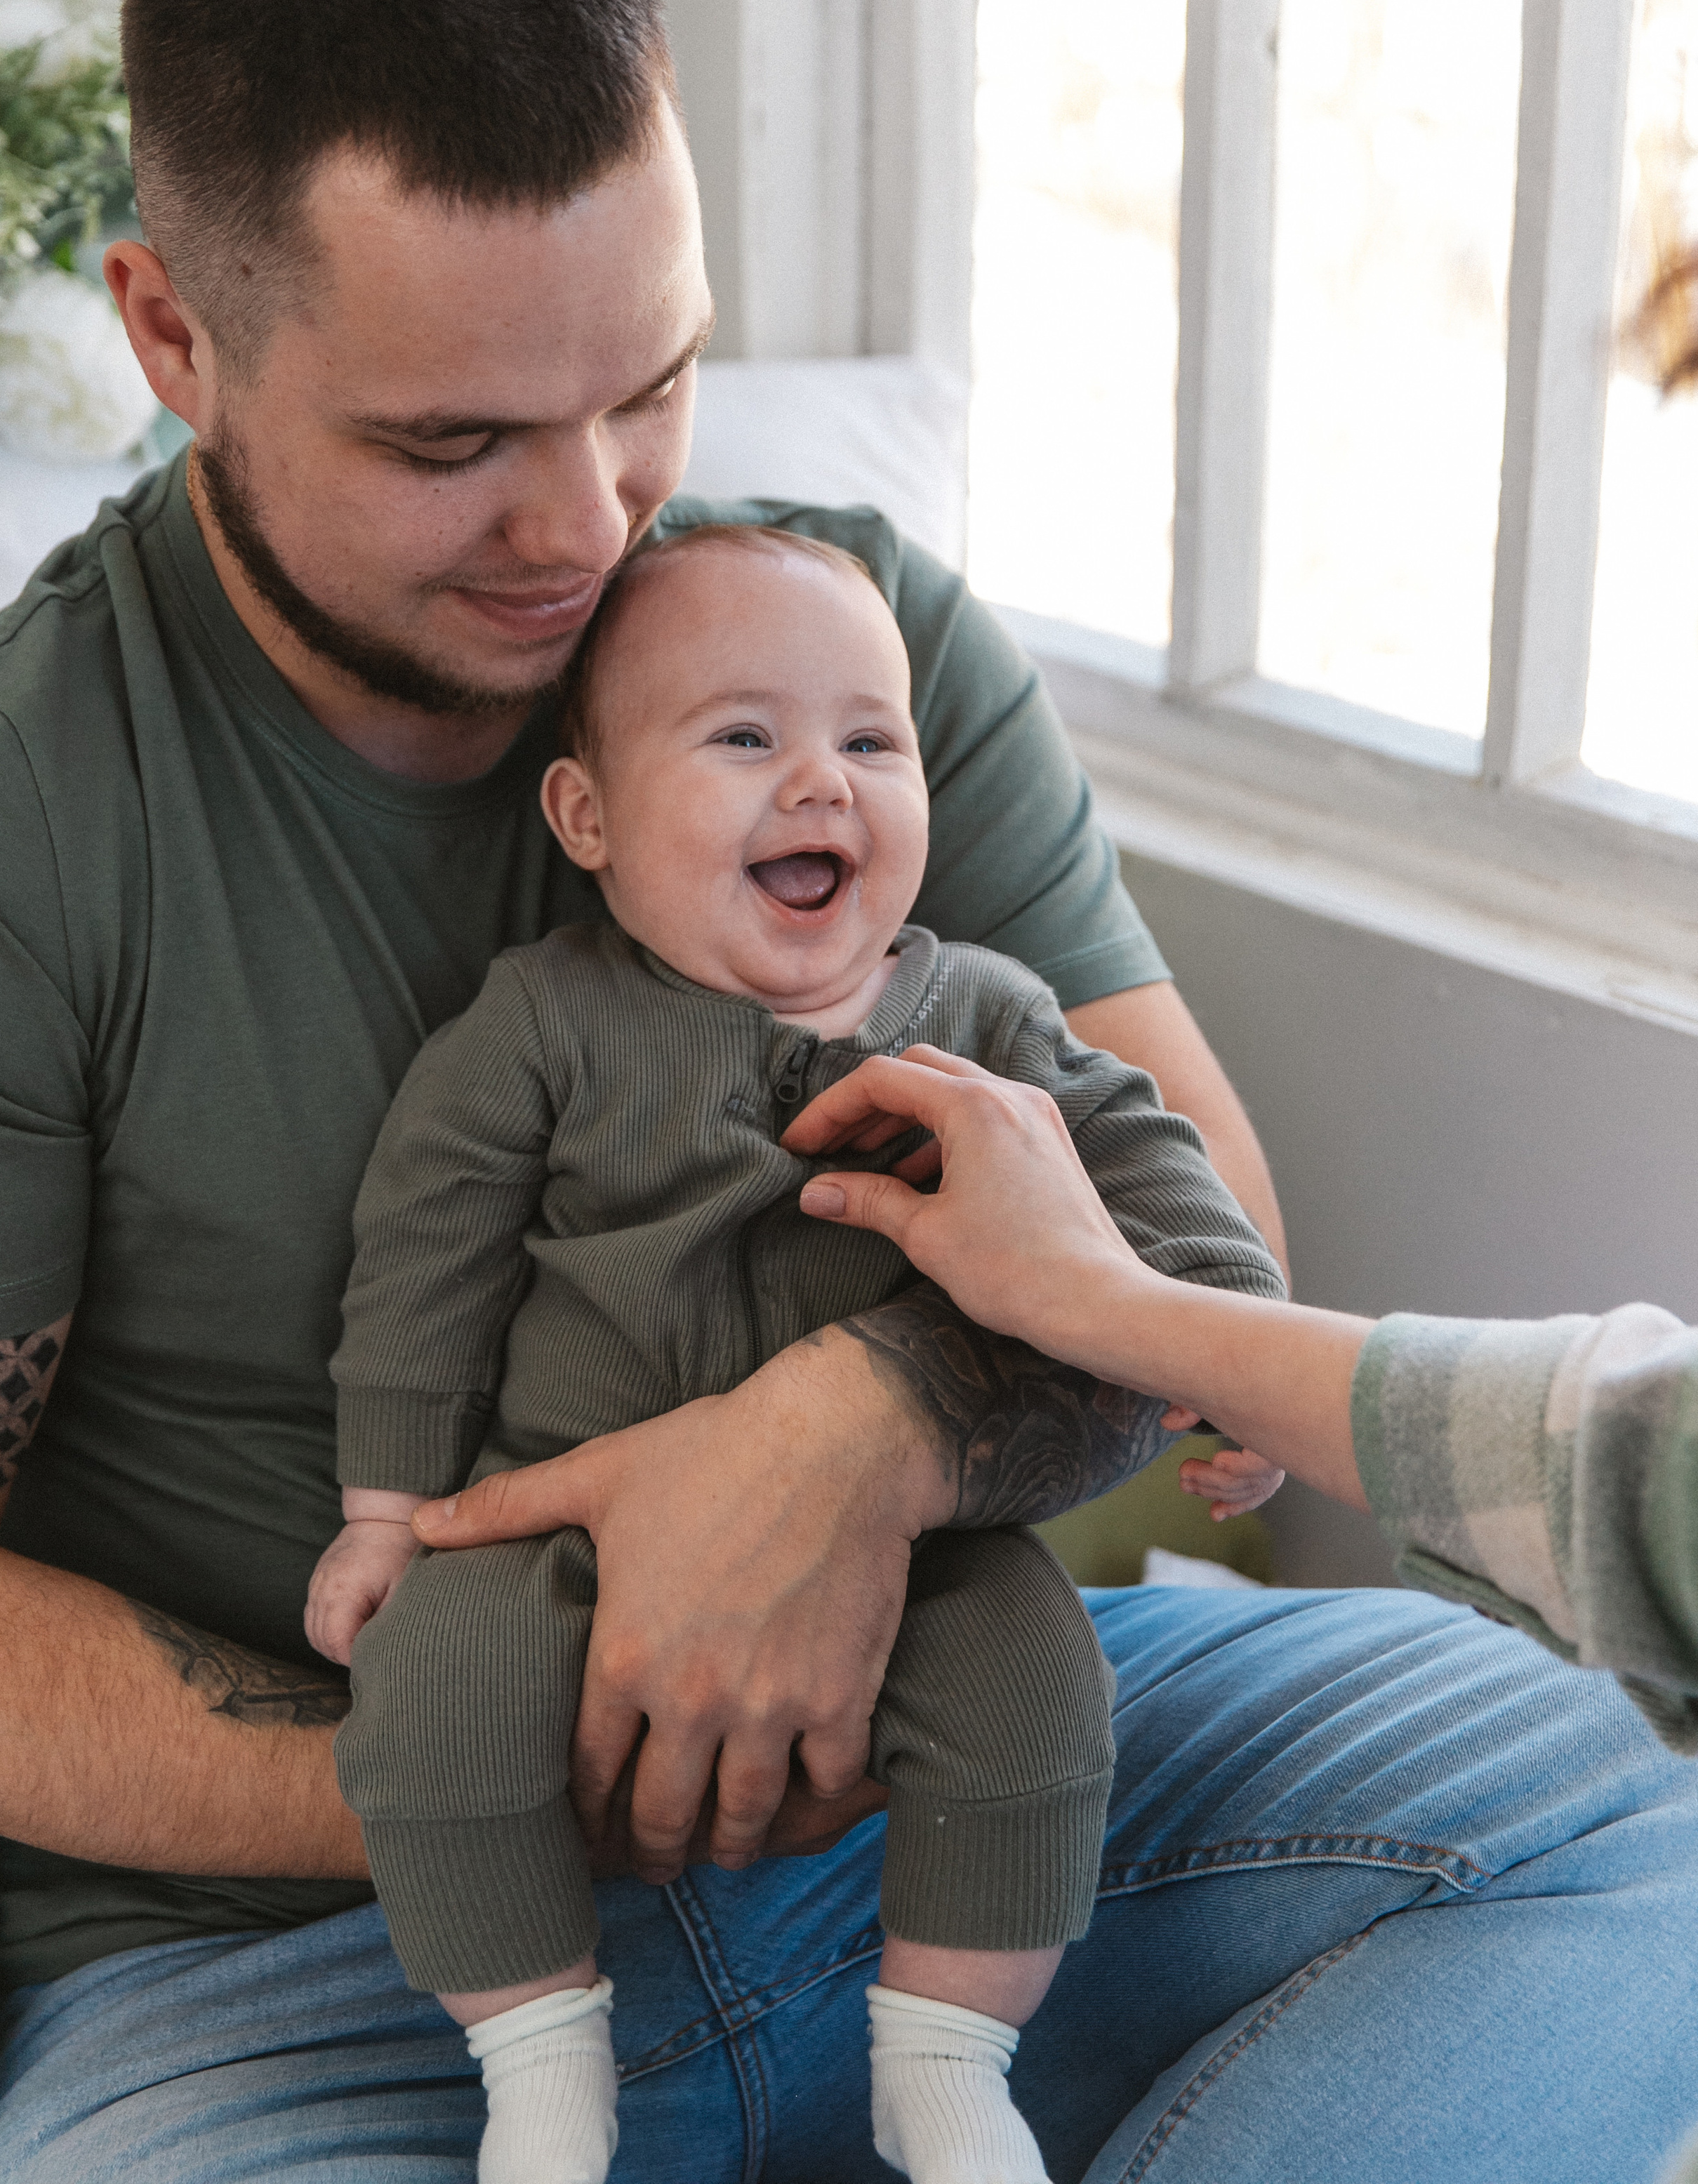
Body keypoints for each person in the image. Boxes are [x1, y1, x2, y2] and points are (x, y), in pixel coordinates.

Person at [0, 0, 1698, 2182]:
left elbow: (1201, 1246)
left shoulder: (843, 652)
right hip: (299, 1951)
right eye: (451, 441)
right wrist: (517, 1774)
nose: (588, 524)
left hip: (948, 1802)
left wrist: (858, 1441)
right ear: (173, 338)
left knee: (1628, 1811)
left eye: (648, 384)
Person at [305, 522, 1286, 2184]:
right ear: (588, 819)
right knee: (428, 1700)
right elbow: (425, 1258)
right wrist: (387, 1513)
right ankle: (539, 2064)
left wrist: (1230, 1338)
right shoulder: (543, 1023)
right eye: (745, 737)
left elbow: (1143, 1160)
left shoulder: (985, 1017)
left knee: (1038, 1694)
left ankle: (945, 2062)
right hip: (556, 1526)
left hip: (921, 1546)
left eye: (870, 742)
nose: (822, 781)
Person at [783, 1043, 1698, 2173]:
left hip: (964, 1709)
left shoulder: (978, 1012)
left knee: (1649, 1745)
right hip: (645, 1835)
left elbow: (1189, 1185)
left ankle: (943, 2057)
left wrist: (1144, 1328)